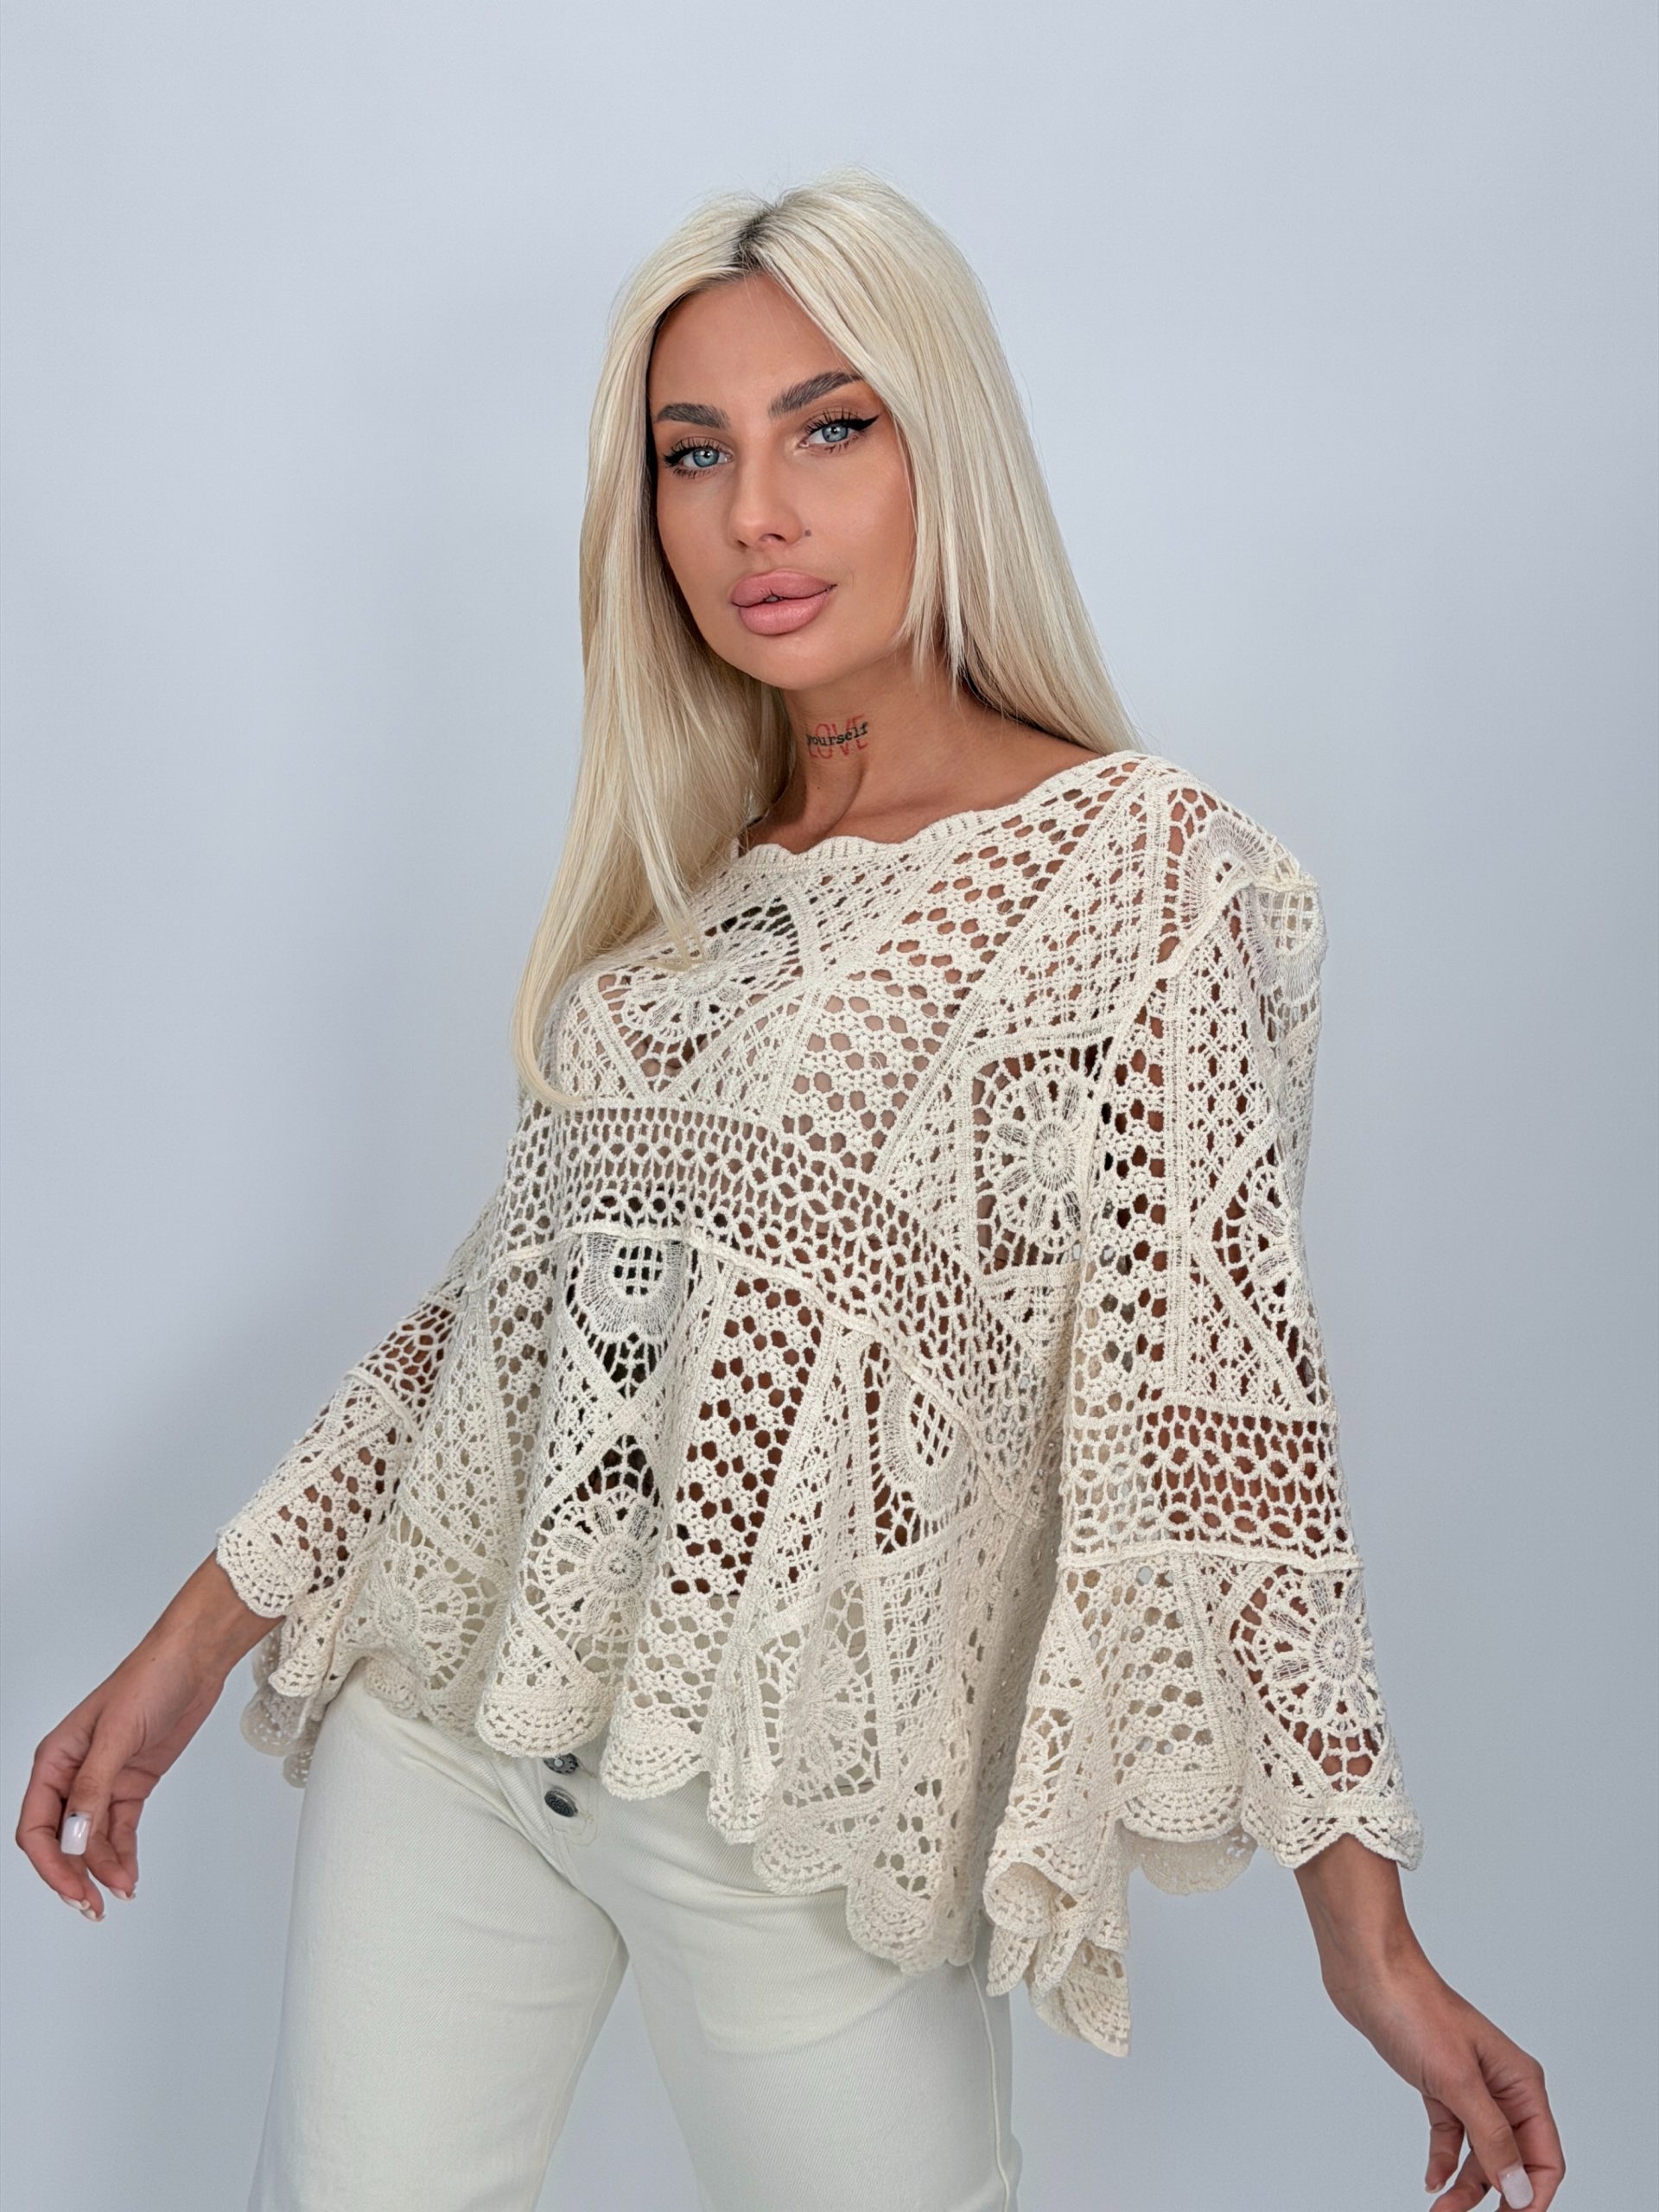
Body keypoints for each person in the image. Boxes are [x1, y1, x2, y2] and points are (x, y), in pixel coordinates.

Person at [16, 166, 1564, 2212]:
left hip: (803, 1800)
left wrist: (1368, 1935)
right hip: (449, 1734)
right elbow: (493, 1331)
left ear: (948, 449)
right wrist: (194, 1638)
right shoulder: (683, 904)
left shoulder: (1146, 876)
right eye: (695, 452)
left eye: (829, 428)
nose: (755, 511)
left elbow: (1221, 1418)